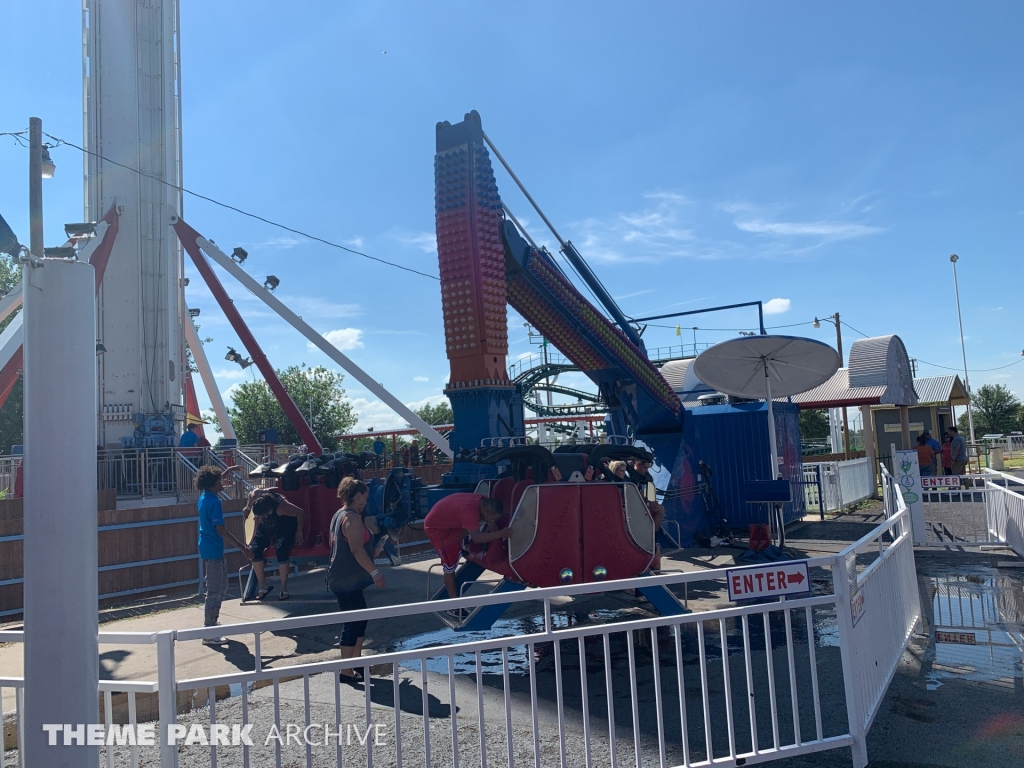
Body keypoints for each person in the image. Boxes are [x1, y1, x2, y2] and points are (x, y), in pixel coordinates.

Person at [327, 477, 386, 682]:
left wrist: (374, 551)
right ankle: (345, 669)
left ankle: (356, 662)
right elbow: (355, 549)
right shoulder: (351, 518)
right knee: (352, 622)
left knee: (360, 618)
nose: (365, 503)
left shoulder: (338, 515)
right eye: (365, 498)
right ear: (358, 495)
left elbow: (343, 547)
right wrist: (374, 572)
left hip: (344, 578)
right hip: (345, 580)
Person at [424, 494, 511, 607]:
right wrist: (500, 534)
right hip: (437, 530)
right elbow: (477, 538)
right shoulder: (469, 511)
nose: (492, 520)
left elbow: (490, 522)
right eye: (491, 517)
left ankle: (460, 548)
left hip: (450, 522)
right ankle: (454, 606)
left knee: (477, 522)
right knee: (449, 567)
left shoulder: (483, 501)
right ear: (485, 511)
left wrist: (499, 541)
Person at [196, 465, 249, 645]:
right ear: (213, 484)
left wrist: (229, 470)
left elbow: (214, 481)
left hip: (211, 549)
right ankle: (209, 630)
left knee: (222, 588)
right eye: (221, 480)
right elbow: (221, 530)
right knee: (215, 590)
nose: (223, 482)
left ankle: (212, 624)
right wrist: (242, 547)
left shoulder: (205, 496)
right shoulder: (214, 502)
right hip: (213, 549)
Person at [244, 488, 306, 600]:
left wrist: (299, 531)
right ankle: (263, 586)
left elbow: (301, 513)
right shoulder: (257, 497)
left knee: (281, 549)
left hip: (284, 527)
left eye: (263, 515)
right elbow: (252, 494)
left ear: (269, 509)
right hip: (267, 527)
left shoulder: (282, 507)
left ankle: (283, 588)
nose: (262, 517)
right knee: (254, 549)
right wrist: (248, 508)